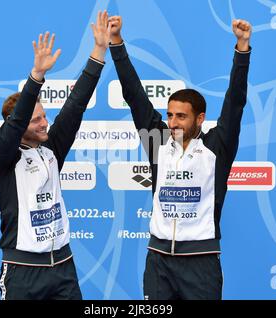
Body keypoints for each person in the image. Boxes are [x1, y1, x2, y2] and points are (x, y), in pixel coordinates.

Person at [108, 15, 252, 299]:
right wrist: (116, 43)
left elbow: (235, 101)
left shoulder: (217, 147)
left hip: (201, 261)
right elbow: (134, 95)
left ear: (200, 118)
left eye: (181, 116)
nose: (172, 122)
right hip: (158, 260)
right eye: (170, 115)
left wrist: (242, 50)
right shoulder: (158, 141)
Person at [0, 11, 112, 300]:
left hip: (63, 268)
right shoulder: (3, 158)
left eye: (44, 116)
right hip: (22, 269)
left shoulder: (51, 147)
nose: (45, 124)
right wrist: (37, 77)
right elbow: (17, 121)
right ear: (16, 127)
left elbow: (76, 104)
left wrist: (99, 51)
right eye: (36, 121)